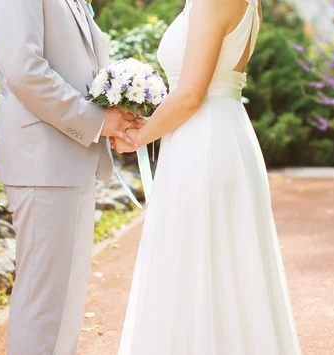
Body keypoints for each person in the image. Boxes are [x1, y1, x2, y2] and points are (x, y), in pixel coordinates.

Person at [112, 0, 302, 353]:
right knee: (230, 268)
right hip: (225, 134)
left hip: (202, 143)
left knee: (194, 266)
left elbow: (189, 96)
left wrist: (138, 137)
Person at [0, 0, 141, 354]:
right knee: (42, 307)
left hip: (72, 158)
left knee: (65, 303)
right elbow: (24, 70)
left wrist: (117, 108)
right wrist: (96, 120)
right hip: (42, 160)